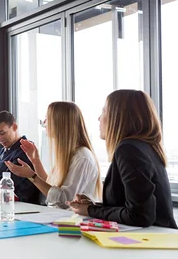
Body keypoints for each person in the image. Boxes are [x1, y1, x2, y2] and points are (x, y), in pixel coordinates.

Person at [68, 90, 177, 229]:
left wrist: (90, 211)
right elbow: (131, 206)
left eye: (104, 111)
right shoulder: (145, 147)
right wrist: (92, 206)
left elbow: (139, 216)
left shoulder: (129, 150)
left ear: (118, 117)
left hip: (149, 243)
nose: (99, 118)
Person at [3, 102, 101, 209]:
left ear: (60, 123)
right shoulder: (68, 155)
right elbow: (50, 187)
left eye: (47, 118)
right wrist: (36, 161)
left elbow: (65, 201)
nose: (44, 122)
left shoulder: (82, 158)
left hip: (72, 222)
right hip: (60, 218)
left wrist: (32, 176)